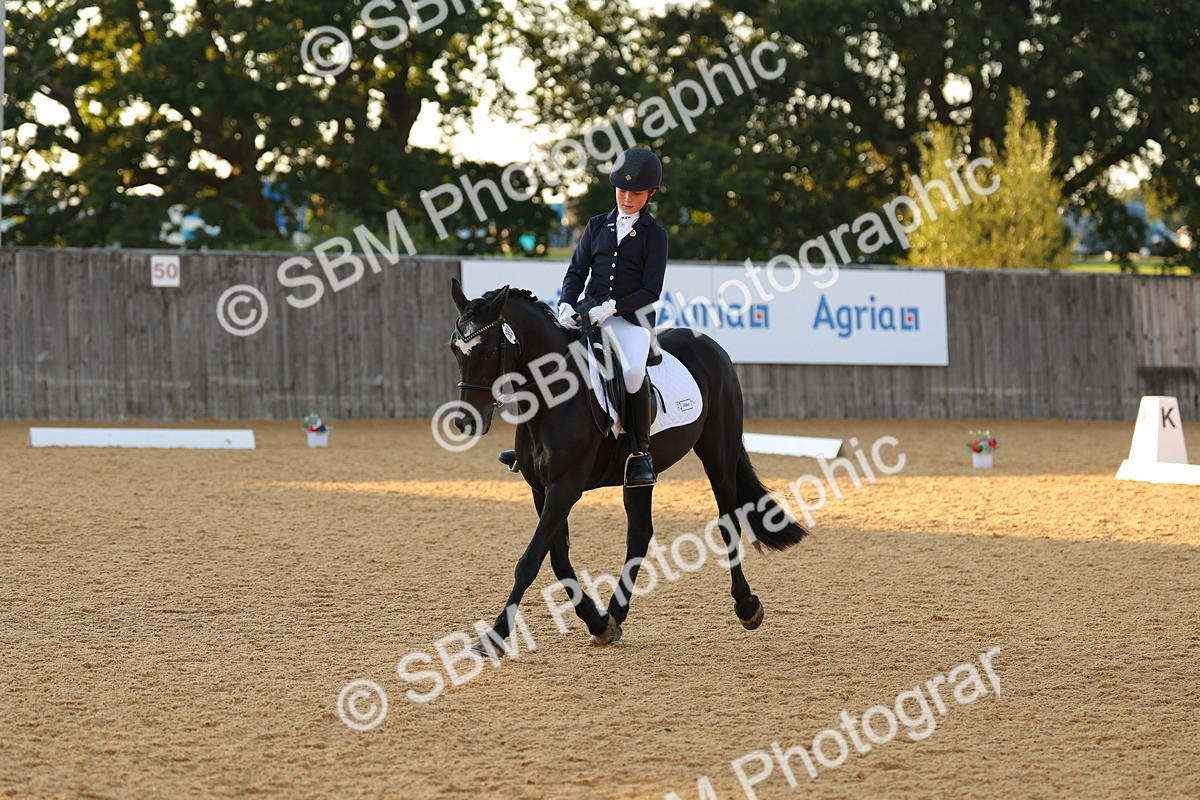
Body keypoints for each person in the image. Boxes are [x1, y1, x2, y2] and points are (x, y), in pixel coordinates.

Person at [557, 147, 667, 487]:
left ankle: (639, 453)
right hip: (587, 311)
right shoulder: (596, 225)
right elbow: (577, 271)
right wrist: (565, 303)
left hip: (628, 319)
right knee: (551, 355)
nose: (628, 198)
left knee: (633, 371)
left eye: (636, 193)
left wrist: (614, 307)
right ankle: (532, 443)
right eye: (622, 190)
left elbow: (652, 290)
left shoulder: (655, 234)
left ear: (649, 194)